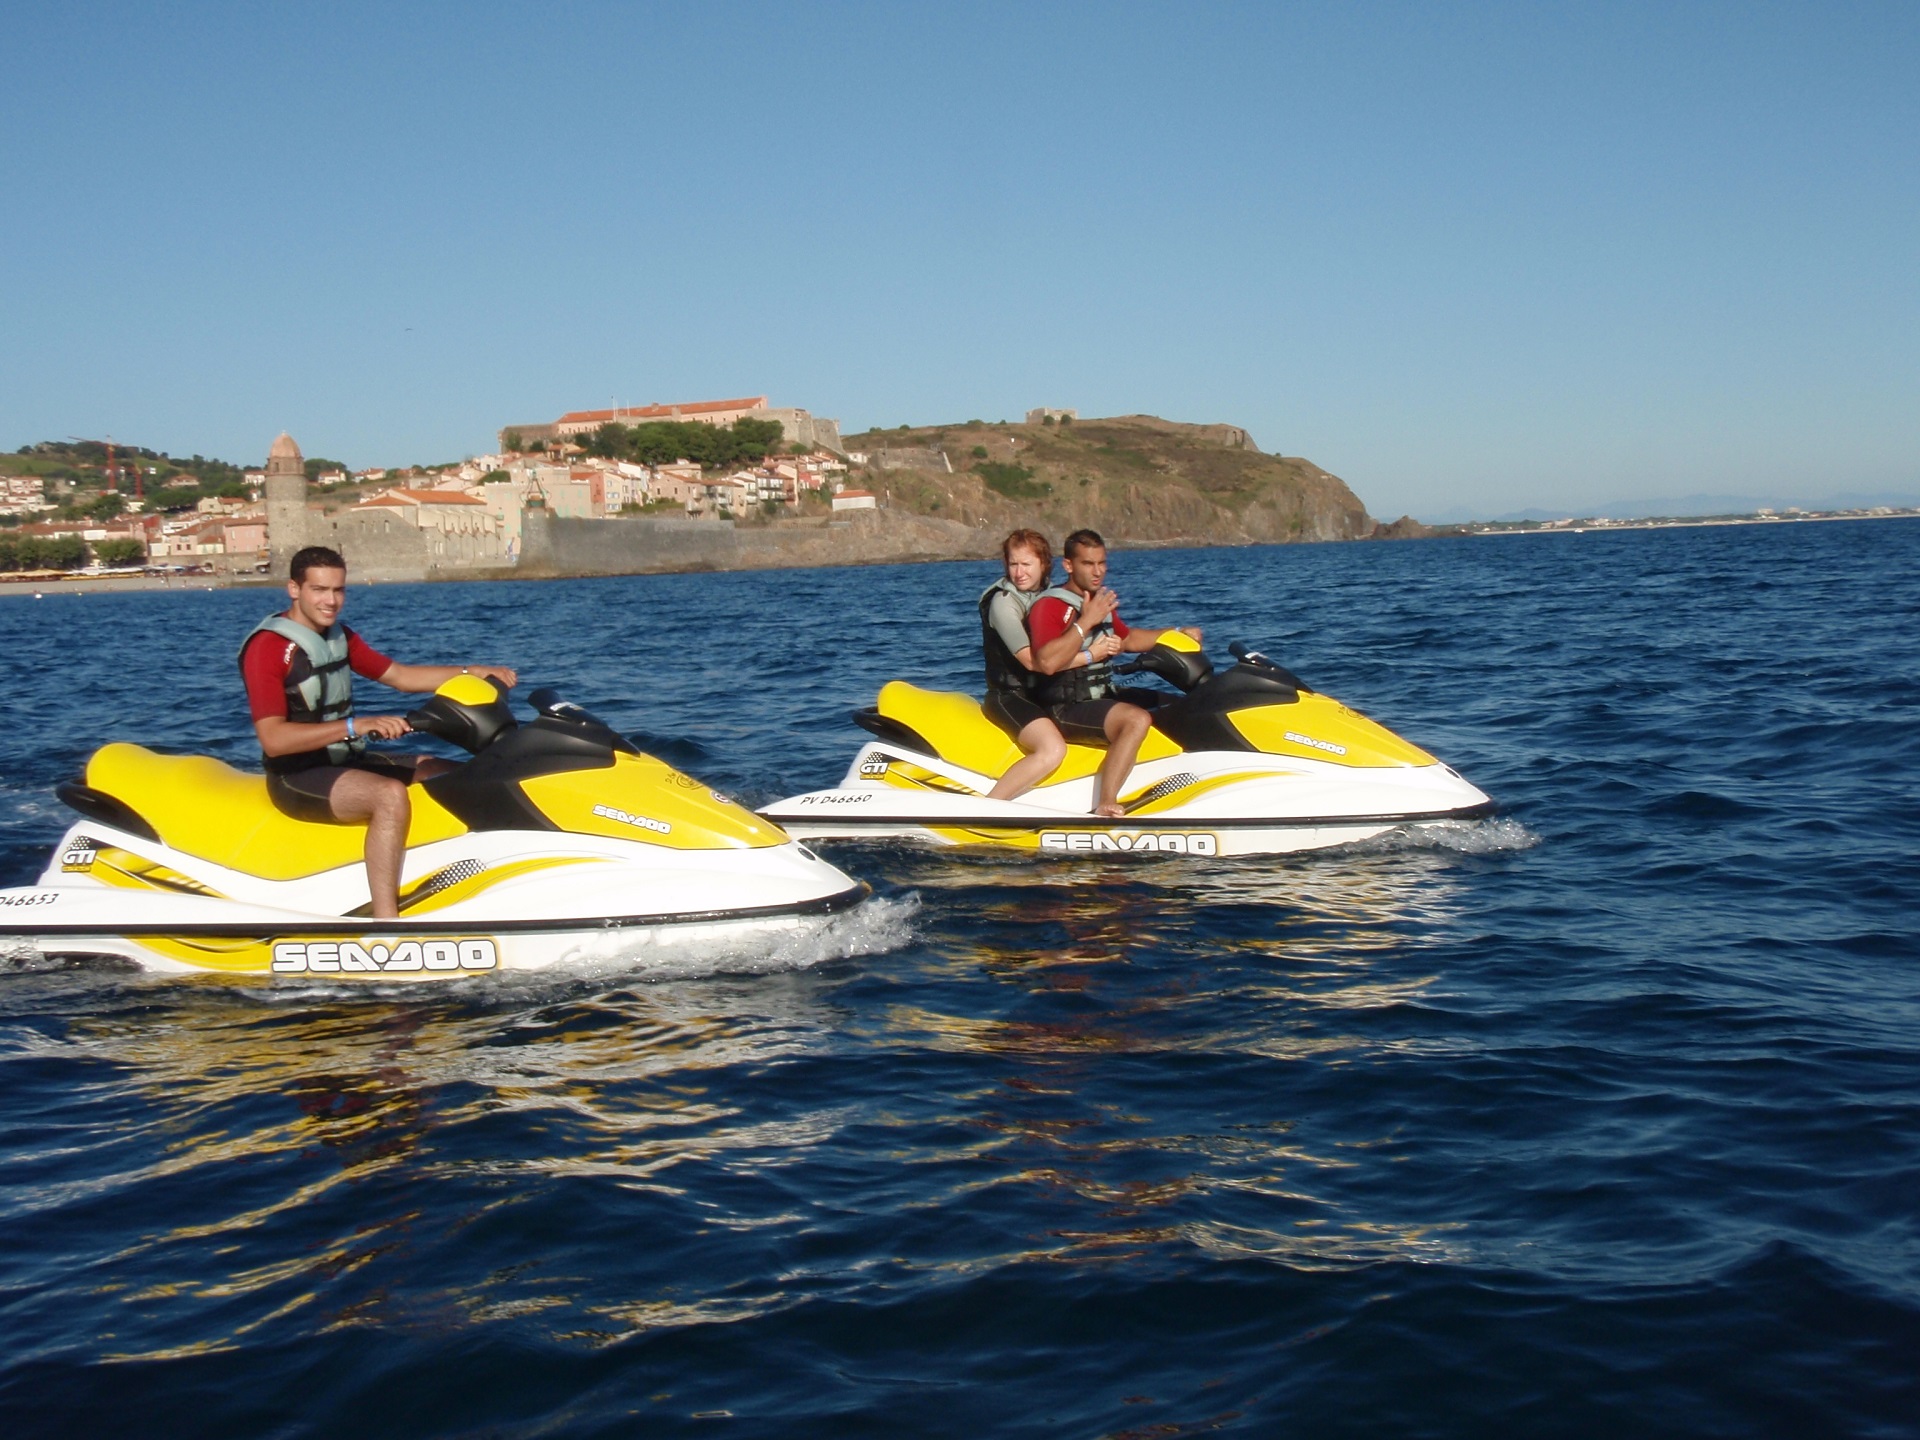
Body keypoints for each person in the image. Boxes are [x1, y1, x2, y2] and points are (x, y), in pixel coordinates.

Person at [239, 545, 517, 919]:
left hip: (345, 760)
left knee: (450, 773)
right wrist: (355, 726)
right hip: (296, 776)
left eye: (338, 590)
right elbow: (273, 741)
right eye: (319, 590)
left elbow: (400, 676)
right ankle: (387, 923)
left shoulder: (338, 637)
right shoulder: (267, 649)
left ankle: (479, 884)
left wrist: (472, 672)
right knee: (388, 795)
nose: (331, 601)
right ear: (294, 589)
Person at [1026, 528, 1203, 817]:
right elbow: (1046, 662)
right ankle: (1106, 802)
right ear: (1068, 565)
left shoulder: (1099, 602)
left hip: (1101, 695)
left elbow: (1128, 639)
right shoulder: (1050, 606)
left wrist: (1176, 632)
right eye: (1088, 564)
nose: (1097, 572)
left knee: (1183, 707)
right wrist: (1087, 621)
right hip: (1064, 706)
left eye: (1102, 563)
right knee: (1136, 719)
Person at [978, 529, 1071, 801]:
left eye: (1026, 564)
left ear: (1043, 564)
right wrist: (1091, 655)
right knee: (1052, 749)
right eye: (1013, 564)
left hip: (1042, 694)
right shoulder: (1003, 604)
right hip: (1008, 697)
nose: (1019, 572)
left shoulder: (1051, 596)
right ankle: (988, 808)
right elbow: (1032, 661)